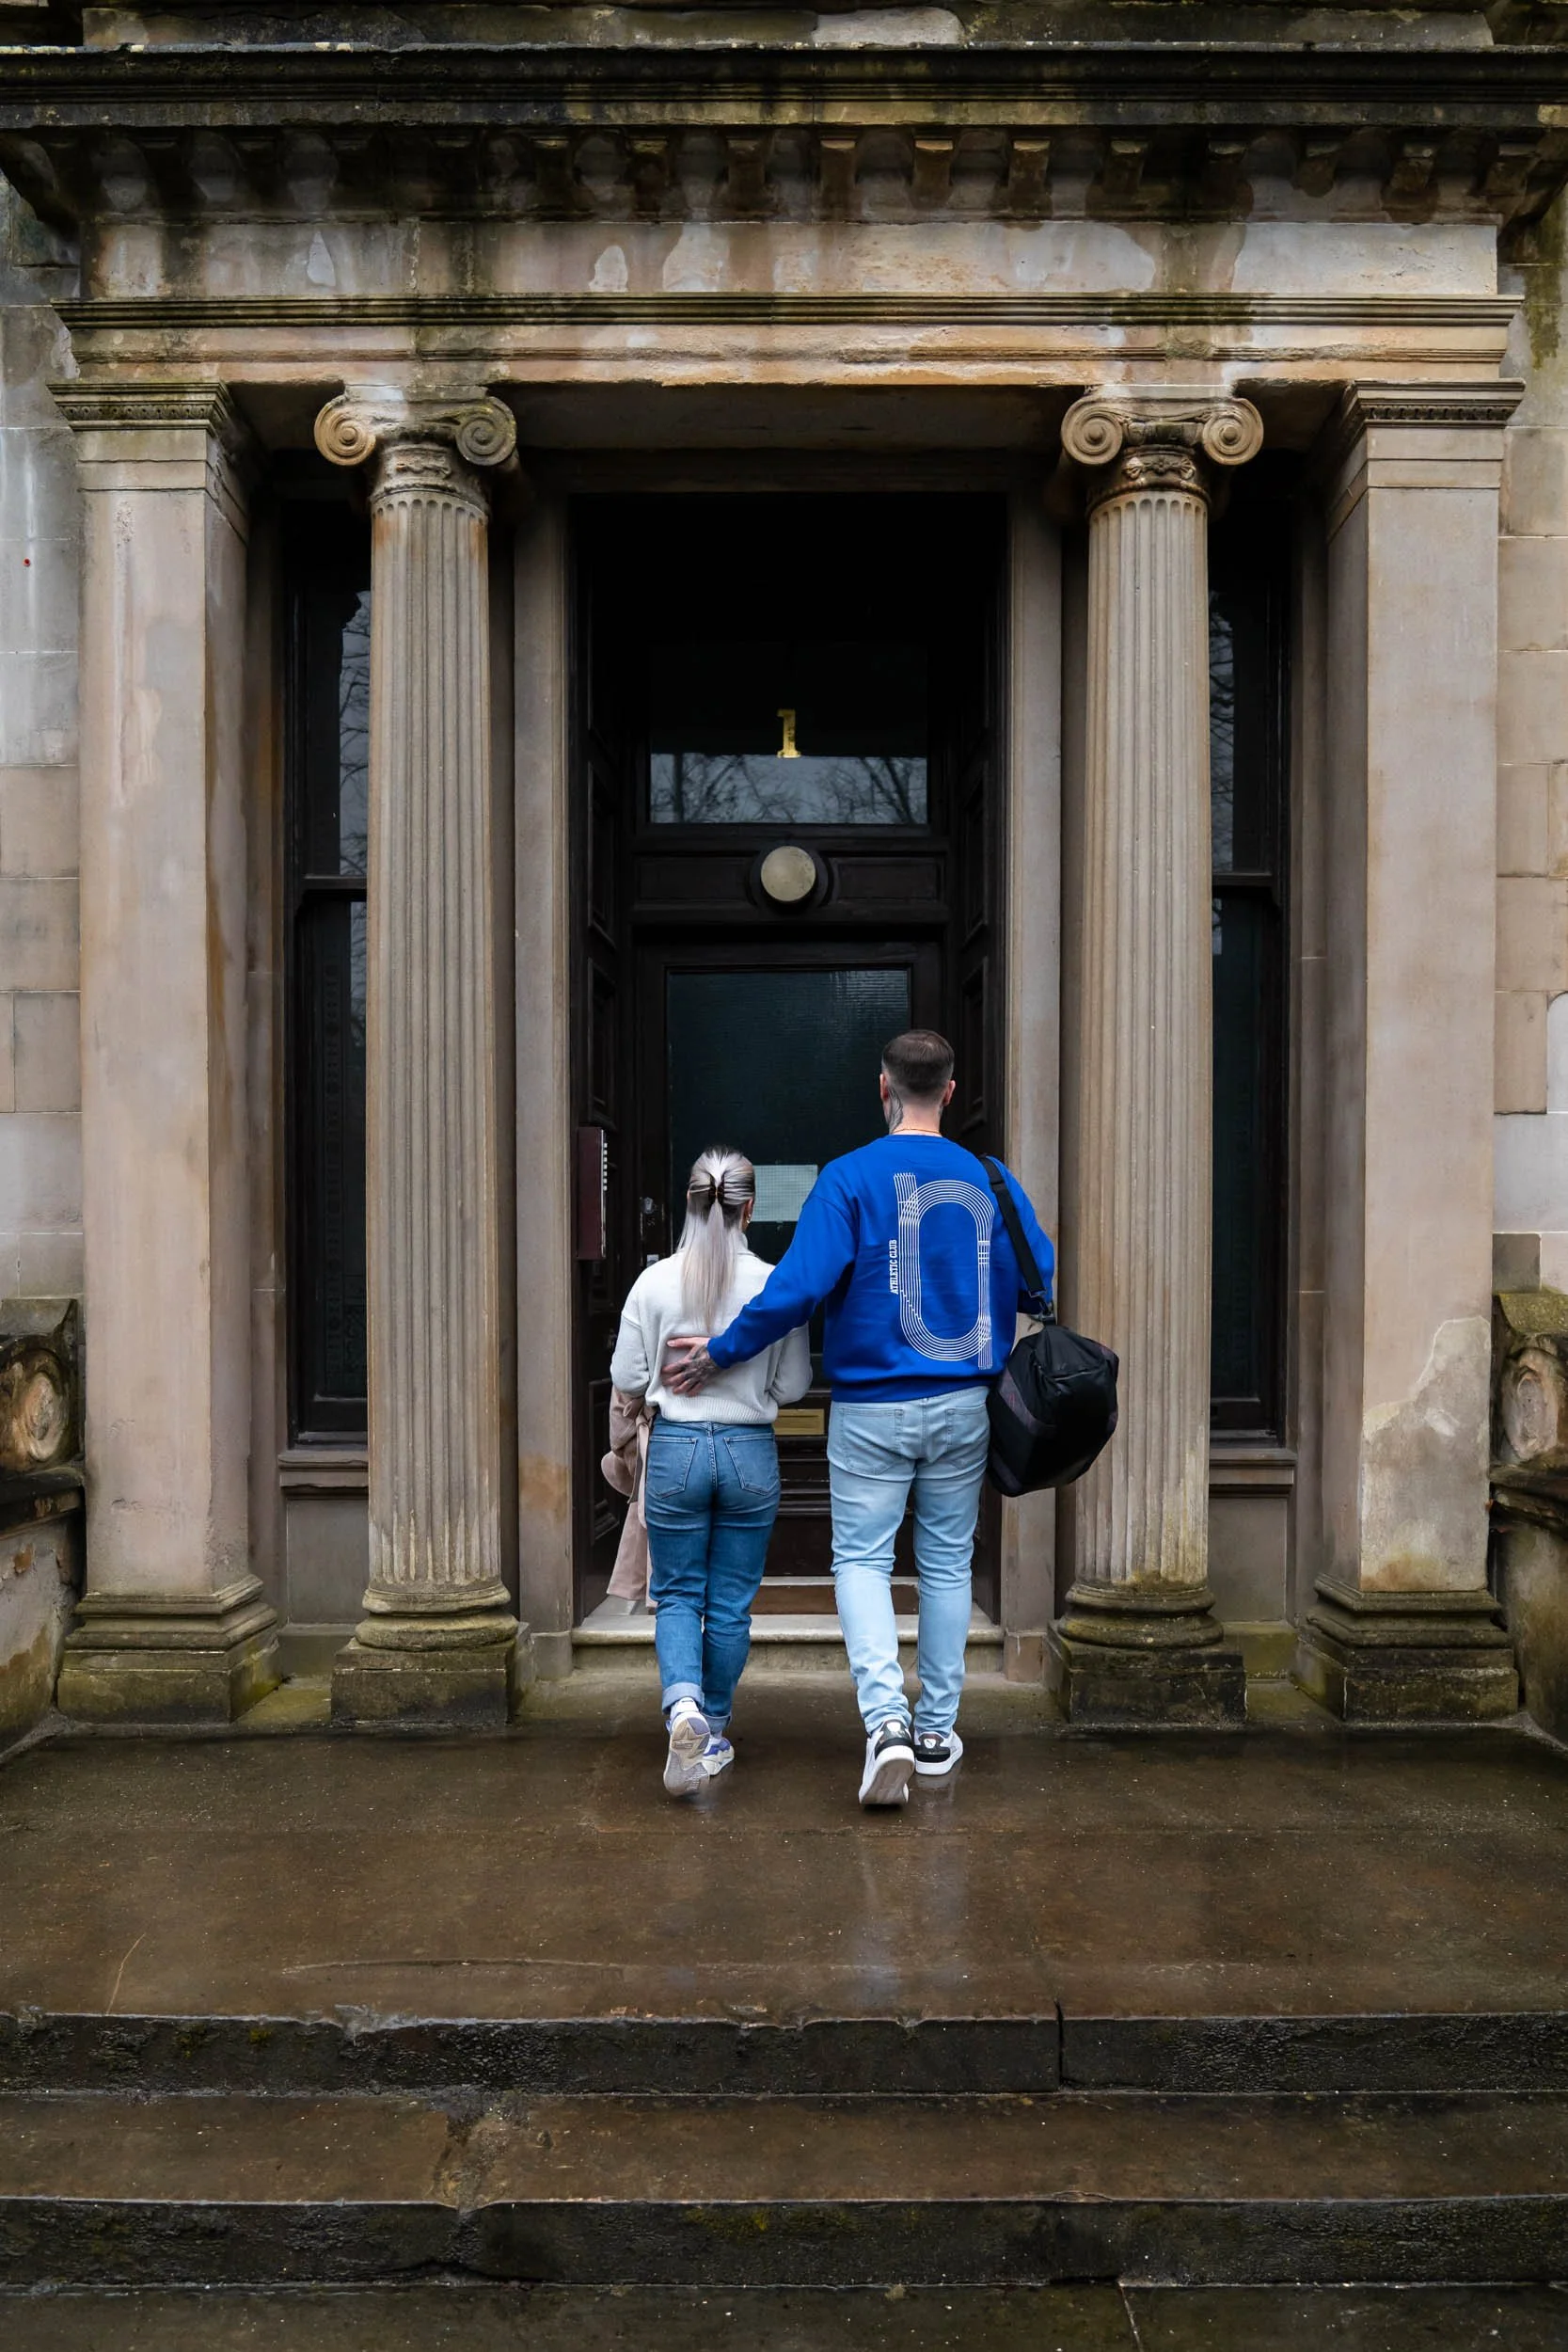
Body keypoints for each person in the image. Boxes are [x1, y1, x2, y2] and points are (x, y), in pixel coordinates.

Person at [666, 1031, 1053, 1810]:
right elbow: (1037, 1277)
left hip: (872, 1406)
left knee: (863, 1563)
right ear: (947, 1092)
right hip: (964, 1402)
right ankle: (937, 1731)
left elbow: (798, 1291)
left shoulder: (847, 1178)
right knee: (946, 1566)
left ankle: (886, 1724)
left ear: (883, 1088)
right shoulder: (991, 1179)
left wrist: (720, 1351)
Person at [610, 1147, 812, 1799]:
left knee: (677, 1593)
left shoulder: (654, 1283)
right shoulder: (776, 1285)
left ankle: (684, 1711)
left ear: (690, 1203)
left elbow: (628, 1378)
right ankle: (714, 1725)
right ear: (749, 1208)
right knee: (729, 1603)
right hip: (750, 1450)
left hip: (676, 1451)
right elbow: (796, 1383)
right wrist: (752, 1394)